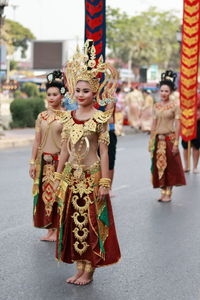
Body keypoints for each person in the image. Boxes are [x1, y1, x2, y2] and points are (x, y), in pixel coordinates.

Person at [54, 40, 121, 285]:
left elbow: (104, 152)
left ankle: (90, 270)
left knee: (91, 223)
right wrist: (58, 176)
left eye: (86, 91)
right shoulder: (69, 117)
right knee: (73, 222)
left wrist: (105, 182)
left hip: (92, 177)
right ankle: (79, 267)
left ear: (95, 93)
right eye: (78, 91)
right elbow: (64, 149)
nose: (80, 95)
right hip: (72, 177)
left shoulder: (100, 118)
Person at [29, 70, 66, 241]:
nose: (51, 98)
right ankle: (49, 229)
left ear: (62, 95)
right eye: (49, 94)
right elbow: (37, 141)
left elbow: (68, 146)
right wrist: (32, 162)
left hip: (60, 162)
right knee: (45, 197)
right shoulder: (41, 116)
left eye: (55, 94)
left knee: (59, 195)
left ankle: (59, 230)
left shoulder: (67, 117)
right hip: (43, 163)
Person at [149, 70, 186, 202]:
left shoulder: (175, 106)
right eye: (162, 90)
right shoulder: (156, 106)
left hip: (170, 140)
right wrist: (151, 141)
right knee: (160, 167)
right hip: (158, 141)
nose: (163, 93)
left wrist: (176, 143)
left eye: (166, 91)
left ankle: (168, 193)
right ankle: (163, 191)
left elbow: (178, 125)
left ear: (170, 92)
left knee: (170, 167)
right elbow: (153, 124)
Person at [181, 100, 200, 173]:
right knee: (185, 146)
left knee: (196, 146)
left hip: (197, 124)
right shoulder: (185, 94)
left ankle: (195, 167)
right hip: (186, 124)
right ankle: (186, 166)